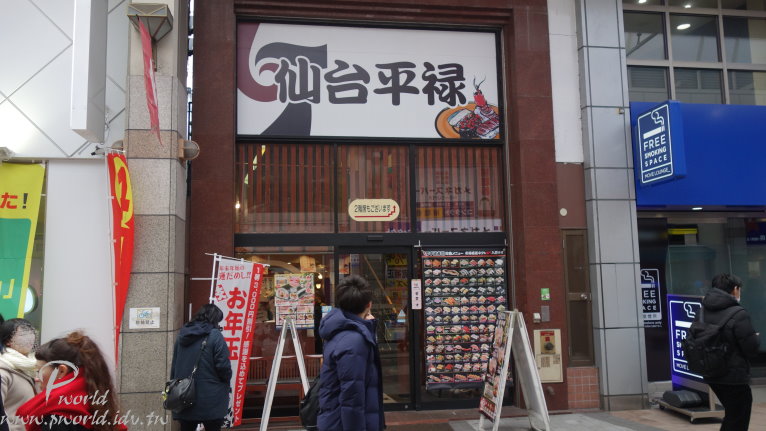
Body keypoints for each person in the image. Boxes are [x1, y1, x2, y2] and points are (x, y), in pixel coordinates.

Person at [15, 331, 125, 431]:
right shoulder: (93, 399)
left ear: (61, 371)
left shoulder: (58, 416)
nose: (36, 378)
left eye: (39, 371)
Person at [317, 275, 384, 431]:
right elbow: (352, 398)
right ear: (369, 304)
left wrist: (367, 326)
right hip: (343, 423)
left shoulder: (339, 328)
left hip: (335, 418)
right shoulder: (354, 341)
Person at [701, 273, 760, 431]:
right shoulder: (738, 313)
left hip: (711, 372)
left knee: (733, 416)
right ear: (735, 289)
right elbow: (751, 348)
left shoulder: (703, 310)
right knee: (738, 418)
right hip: (733, 376)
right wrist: (754, 337)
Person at [170, 304, 232, 431]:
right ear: (214, 319)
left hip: (184, 395)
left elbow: (175, 364)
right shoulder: (215, 335)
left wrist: (174, 385)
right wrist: (225, 380)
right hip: (211, 395)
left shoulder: (182, 334)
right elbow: (223, 366)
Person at [0, 319, 38, 430]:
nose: (29, 337)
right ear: (8, 341)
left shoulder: (33, 366)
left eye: (31, 332)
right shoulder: (3, 371)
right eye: (23, 334)